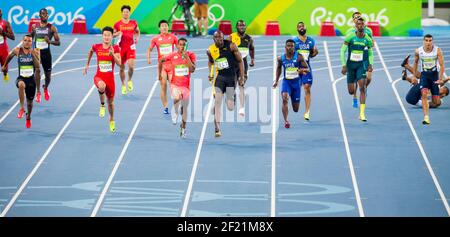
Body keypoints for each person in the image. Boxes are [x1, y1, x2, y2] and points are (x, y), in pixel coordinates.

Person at [83, 26, 121, 133]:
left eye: (109, 35)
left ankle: (112, 119)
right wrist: (87, 65)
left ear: (112, 36)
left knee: (111, 103)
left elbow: (120, 64)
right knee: (101, 86)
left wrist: (113, 54)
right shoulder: (97, 46)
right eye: (105, 35)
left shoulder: (116, 48)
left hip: (110, 79)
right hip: (99, 76)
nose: (106, 37)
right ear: (102, 36)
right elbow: (90, 51)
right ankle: (102, 105)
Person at [207, 31, 244, 137]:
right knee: (217, 101)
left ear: (223, 37)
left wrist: (241, 77)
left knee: (230, 107)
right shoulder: (210, 50)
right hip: (220, 78)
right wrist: (210, 72)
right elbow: (210, 62)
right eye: (217, 38)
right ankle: (217, 129)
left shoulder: (231, 46)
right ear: (213, 39)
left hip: (231, 78)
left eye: (221, 37)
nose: (219, 39)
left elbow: (240, 61)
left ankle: (233, 97)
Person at [159, 38, 196, 138]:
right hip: (175, 84)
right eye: (180, 44)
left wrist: (186, 57)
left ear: (186, 46)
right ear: (177, 46)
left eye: (184, 45)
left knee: (184, 109)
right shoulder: (172, 55)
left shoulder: (191, 55)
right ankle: (174, 112)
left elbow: (192, 70)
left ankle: (183, 128)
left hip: (186, 86)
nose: (182, 46)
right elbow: (161, 60)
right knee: (176, 98)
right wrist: (159, 72)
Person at [1, 34, 40, 128]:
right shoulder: (17, 50)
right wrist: (4, 65)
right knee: (21, 85)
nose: (27, 42)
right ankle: (22, 109)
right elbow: (9, 56)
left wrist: (32, 54)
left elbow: (38, 66)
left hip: (31, 80)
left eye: (29, 41)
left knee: (30, 103)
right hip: (21, 78)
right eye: (25, 40)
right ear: (22, 41)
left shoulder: (35, 51)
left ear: (32, 43)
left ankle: (28, 116)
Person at [340, 17, 374, 122]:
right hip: (351, 66)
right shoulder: (350, 37)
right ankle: (354, 86)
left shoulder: (367, 39)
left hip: (360, 66)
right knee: (351, 91)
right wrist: (343, 65)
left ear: (364, 26)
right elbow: (342, 51)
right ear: (356, 26)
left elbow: (370, 52)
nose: (360, 26)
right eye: (358, 24)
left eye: (362, 24)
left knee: (362, 88)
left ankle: (362, 114)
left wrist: (370, 64)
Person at [272, 39, 309, 129]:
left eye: (292, 46)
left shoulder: (299, 57)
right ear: (285, 47)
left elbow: (307, 69)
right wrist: (276, 80)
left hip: (296, 84)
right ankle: (286, 121)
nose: (290, 47)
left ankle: (293, 101)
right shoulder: (281, 58)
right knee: (284, 98)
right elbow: (279, 68)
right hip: (286, 82)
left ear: (294, 47)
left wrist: (301, 70)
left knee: (295, 109)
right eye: (288, 45)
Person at [410, 34, 445, 124]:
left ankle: (436, 99)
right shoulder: (418, 51)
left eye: (430, 41)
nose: (428, 43)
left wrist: (440, 79)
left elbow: (441, 65)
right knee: (424, 94)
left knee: (436, 102)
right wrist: (414, 76)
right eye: (426, 40)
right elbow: (415, 63)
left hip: (434, 76)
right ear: (423, 41)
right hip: (424, 75)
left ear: (432, 41)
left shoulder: (437, 50)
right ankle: (426, 117)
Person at [148, 20, 178, 114]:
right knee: (163, 85)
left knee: (173, 87)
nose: (164, 27)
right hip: (162, 66)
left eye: (166, 26)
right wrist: (149, 58)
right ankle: (165, 107)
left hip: (172, 65)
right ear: (159, 28)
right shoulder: (155, 39)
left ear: (168, 27)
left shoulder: (173, 37)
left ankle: (177, 105)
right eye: (162, 26)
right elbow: (149, 49)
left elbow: (180, 48)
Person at [31, 8, 60, 102]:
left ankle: (45, 88)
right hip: (37, 52)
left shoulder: (52, 27)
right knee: (37, 71)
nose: (45, 15)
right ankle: (38, 92)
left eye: (46, 14)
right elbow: (31, 36)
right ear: (39, 16)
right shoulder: (34, 27)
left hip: (46, 54)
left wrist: (49, 41)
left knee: (48, 76)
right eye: (43, 14)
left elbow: (58, 42)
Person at [346, 12, 374, 108]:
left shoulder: (368, 31)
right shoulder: (350, 32)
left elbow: (372, 44)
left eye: (359, 17)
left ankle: (364, 88)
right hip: (354, 59)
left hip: (365, 57)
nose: (358, 18)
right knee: (355, 81)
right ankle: (355, 96)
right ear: (353, 21)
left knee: (368, 78)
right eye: (356, 17)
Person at [228, 20, 255, 117]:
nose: (242, 27)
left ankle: (242, 108)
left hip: (243, 64)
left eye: (243, 25)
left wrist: (252, 59)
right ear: (236, 27)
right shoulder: (231, 37)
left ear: (245, 27)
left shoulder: (249, 39)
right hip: (232, 64)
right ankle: (233, 95)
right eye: (239, 25)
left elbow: (252, 48)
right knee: (232, 85)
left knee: (241, 83)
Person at [293, 21, 318, 121]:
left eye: (303, 26)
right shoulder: (294, 41)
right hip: (296, 69)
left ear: (305, 27)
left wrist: (315, 53)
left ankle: (307, 112)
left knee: (307, 87)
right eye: (299, 26)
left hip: (307, 68)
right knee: (295, 89)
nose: (301, 28)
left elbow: (312, 53)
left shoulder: (311, 40)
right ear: (297, 29)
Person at [113, 5, 140, 95]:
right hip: (121, 48)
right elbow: (112, 35)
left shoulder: (133, 22)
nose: (125, 13)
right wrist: (117, 33)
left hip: (130, 47)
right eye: (124, 12)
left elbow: (137, 31)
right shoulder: (117, 24)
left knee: (131, 66)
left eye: (127, 12)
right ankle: (123, 85)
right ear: (122, 13)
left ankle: (129, 80)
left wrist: (137, 38)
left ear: (129, 13)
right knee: (121, 68)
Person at [0, 8, 16, 82]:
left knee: (5, 69)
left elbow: (13, 37)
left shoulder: (6, 23)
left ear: (1, 13)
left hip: (3, 49)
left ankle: (5, 74)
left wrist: (3, 33)